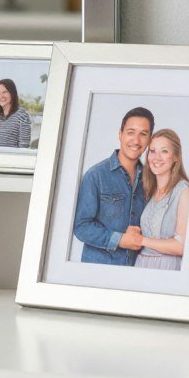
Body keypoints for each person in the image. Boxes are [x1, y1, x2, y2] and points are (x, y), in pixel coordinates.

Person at [72, 107, 153, 266]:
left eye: (143, 134)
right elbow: (81, 227)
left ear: (150, 139)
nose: (136, 141)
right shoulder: (96, 175)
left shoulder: (151, 180)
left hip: (136, 270)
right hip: (99, 270)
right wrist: (120, 239)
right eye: (131, 132)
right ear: (120, 134)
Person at [133, 129, 189, 271]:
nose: (156, 157)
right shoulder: (149, 190)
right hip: (141, 266)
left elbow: (182, 246)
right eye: (152, 151)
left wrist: (141, 240)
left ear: (176, 157)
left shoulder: (184, 191)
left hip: (166, 269)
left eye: (164, 151)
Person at [0, 78, 31, 148]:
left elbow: (24, 147)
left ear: (12, 93)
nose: (1, 96)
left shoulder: (22, 116)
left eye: (4, 92)